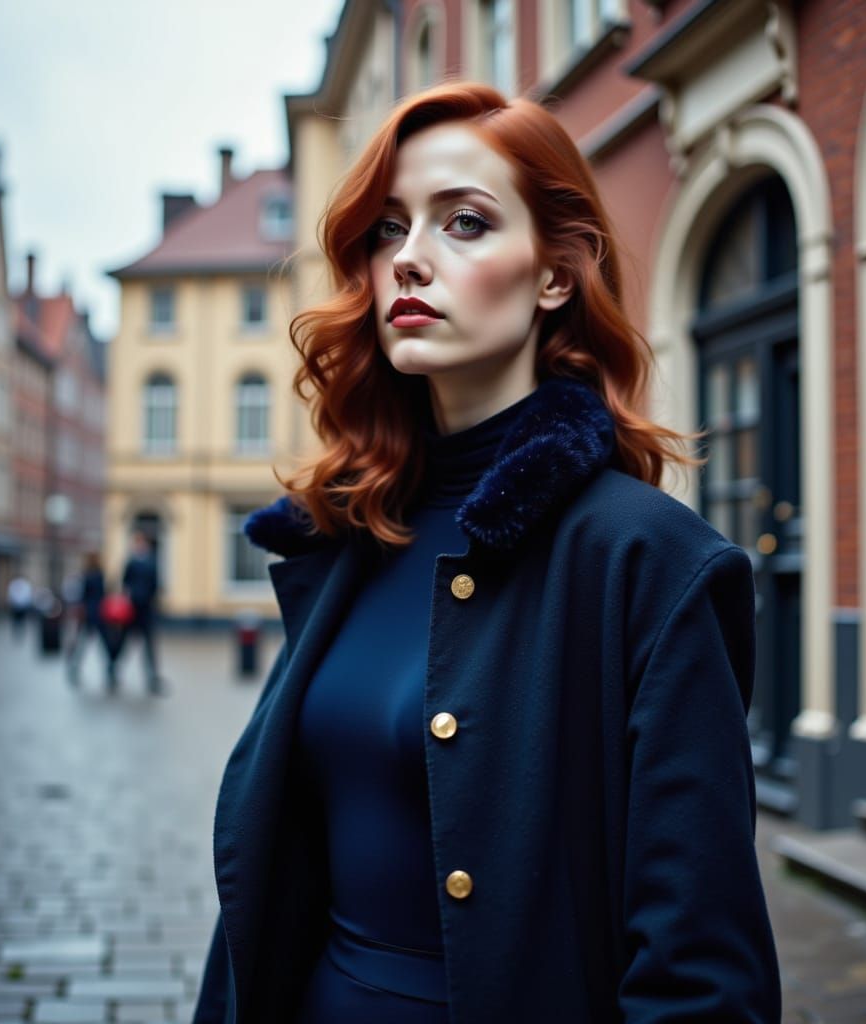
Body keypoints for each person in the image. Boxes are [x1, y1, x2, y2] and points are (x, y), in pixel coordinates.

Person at [193, 83, 780, 1023]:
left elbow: (700, 977)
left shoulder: (649, 564)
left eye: (464, 222)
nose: (411, 260)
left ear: (555, 275)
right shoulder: (349, 535)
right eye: (388, 230)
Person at [107, 530, 164, 695]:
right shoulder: (131, 563)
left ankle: (152, 677)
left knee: (149, 646)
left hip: (146, 610)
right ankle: (112, 669)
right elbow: (125, 584)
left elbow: (154, 584)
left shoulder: (151, 562)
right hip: (132, 610)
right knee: (123, 643)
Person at [65, 552, 108, 686]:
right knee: (103, 645)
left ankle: (74, 669)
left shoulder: (85, 575)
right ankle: (110, 671)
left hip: (87, 614)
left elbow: (81, 596)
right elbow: (103, 594)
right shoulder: (100, 575)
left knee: (82, 644)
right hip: (99, 614)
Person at [7, 574, 34, 639]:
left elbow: (27, 594)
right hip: (17, 605)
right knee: (16, 619)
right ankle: (17, 631)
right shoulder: (15, 584)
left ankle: (19, 631)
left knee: (21, 620)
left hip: (21, 605)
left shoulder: (23, 584)